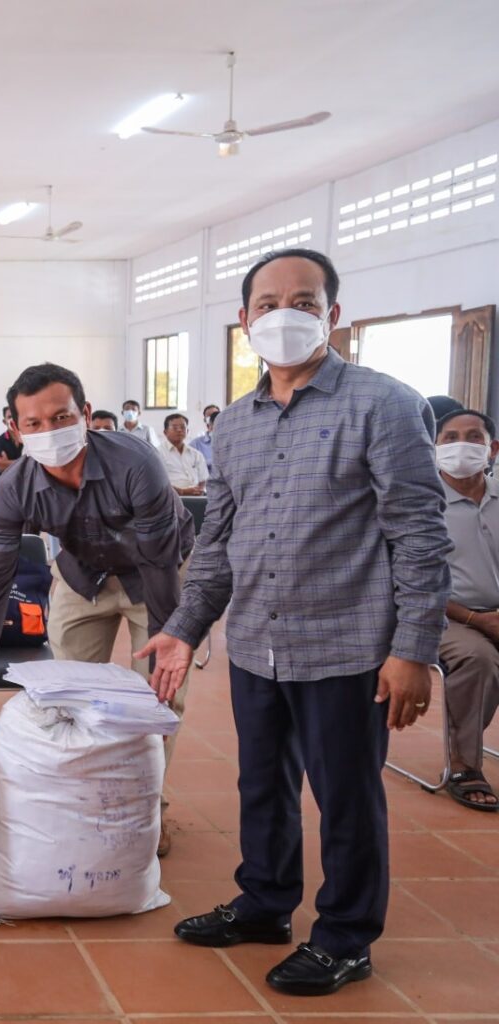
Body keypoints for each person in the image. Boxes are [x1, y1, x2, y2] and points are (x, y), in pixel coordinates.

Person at [141, 249, 451, 997]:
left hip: (346, 644)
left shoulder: (383, 403)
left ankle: (345, 936)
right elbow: (218, 545)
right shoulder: (237, 426)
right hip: (256, 644)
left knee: (345, 796)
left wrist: (412, 650)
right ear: (245, 320)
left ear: (332, 315)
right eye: (269, 302)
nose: (286, 314)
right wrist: (185, 626)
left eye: (305, 302)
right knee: (262, 785)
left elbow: (420, 535)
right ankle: (265, 902)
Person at [0, 363, 194, 855]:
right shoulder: (14, 488)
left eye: (62, 417)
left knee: (158, 699)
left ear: (85, 414)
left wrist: (169, 645)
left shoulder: (136, 464)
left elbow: (158, 563)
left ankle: (148, 810)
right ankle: (84, 800)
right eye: (34, 424)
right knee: (69, 696)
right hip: (81, 574)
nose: (50, 431)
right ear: (15, 431)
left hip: (154, 573)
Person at [431, 408, 499, 810]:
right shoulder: (422, 505)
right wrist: (479, 620)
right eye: (450, 437)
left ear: (491, 448)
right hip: (443, 616)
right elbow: (405, 580)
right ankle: (465, 764)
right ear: (435, 449)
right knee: (478, 658)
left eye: (474, 437)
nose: (462, 445)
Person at [159, 413, 209, 496]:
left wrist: (199, 491)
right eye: (174, 428)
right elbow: (158, 483)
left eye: (183, 427)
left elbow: (203, 480)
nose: (179, 430)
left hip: (196, 497)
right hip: (170, 497)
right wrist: (182, 492)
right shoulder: (158, 453)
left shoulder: (196, 454)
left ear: (187, 431)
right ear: (165, 432)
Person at [0, 405, 22, 474]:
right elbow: (0, 465)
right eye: (10, 417)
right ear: (4, 422)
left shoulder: (28, 438)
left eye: (15, 416)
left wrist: (7, 463)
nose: (13, 419)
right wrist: (25, 462)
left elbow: (36, 463)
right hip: (7, 480)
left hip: (27, 480)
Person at [192, 404, 221, 470]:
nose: (213, 419)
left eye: (215, 416)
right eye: (209, 418)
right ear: (205, 421)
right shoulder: (195, 444)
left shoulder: (230, 441)